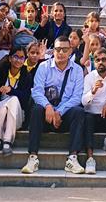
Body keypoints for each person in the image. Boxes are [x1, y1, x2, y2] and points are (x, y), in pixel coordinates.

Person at [22, 36, 87, 175]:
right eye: (58, 49)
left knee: (79, 112)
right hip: (46, 115)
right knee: (36, 109)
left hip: (65, 116)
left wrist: (60, 112)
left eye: (64, 49)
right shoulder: (43, 67)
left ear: (70, 51)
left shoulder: (77, 70)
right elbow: (37, 91)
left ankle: (73, 158)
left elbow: (77, 97)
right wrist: (48, 107)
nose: (61, 52)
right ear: (53, 51)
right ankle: (32, 157)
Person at [0, 46, 28, 156]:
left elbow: (26, 98)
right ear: (10, 58)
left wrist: (11, 90)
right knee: (3, 108)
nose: (18, 60)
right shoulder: (1, 71)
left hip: (16, 116)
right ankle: (2, 140)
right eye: (15, 56)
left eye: (22, 57)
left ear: (24, 60)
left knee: (14, 99)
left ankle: (4, 140)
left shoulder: (26, 75)